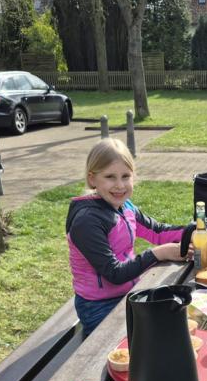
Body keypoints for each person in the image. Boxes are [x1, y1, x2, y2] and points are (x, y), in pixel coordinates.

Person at [66, 138, 188, 335]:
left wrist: (192, 231)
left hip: (130, 292)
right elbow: (114, 274)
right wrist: (158, 254)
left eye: (125, 176)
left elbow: (157, 232)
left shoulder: (126, 207)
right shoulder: (87, 221)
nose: (120, 185)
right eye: (110, 177)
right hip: (98, 306)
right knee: (142, 343)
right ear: (92, 179)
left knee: (176, 322)